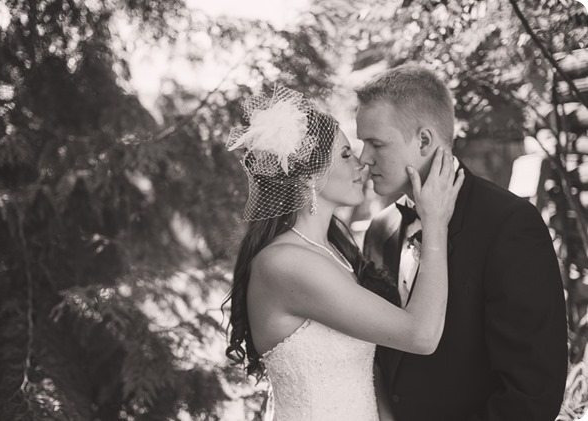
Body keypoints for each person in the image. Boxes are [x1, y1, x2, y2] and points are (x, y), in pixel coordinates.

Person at [223, 86, 464, 421]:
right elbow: (420, 335)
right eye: (346, 155)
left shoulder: (333, 253)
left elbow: (366, 374)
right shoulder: (286, 263)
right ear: (309, 176)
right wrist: (435, 221)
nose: (362, 164)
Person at [357, 64, 568, 421]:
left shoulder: (509, 224)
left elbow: (532, 395)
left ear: (424, 140)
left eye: (376, 143)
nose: (364, 158)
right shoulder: (380, 229)